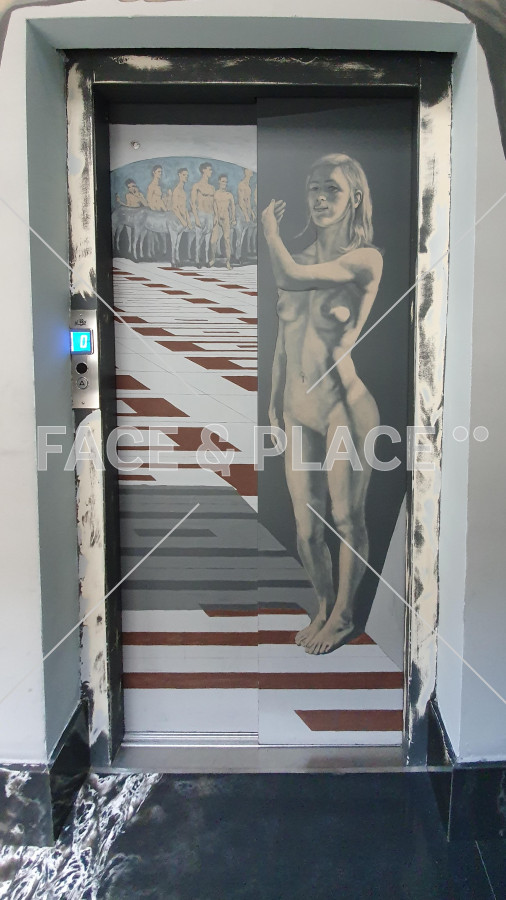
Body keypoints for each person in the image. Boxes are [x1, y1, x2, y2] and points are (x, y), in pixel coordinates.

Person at [262, 153, 383, 655]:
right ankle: (325, 606)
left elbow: (291, 277)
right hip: (297, 411)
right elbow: (283, 341)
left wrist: (269, 231)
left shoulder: (365, 259)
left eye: (331, 188)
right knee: (307, 529)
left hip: (343, 410)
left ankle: (344, 618)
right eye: (313, 188)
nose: (319, 197)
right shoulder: (299, 254)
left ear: (354, 197)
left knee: (348, 519)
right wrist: (274, 401)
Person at [190, 162, 215, 265]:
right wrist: (196, 217)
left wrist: (215, 216)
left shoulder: (212, 188)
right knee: (198, 239)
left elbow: (214, 203)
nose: (211, 172)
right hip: (200, 214)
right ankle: (197, 259)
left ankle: (206, 259)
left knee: (208, 240)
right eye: (209, 169)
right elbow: (192, 203)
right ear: (203, 170)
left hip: (210, 215)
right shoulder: (196, 186)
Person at [210, 174, 236, 269]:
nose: (224, 183)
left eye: (226, 182)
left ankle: (228, 262)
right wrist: (216, 216)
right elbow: (214, 205)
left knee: (227, 239)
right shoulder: (216, 194)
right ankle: (212, 259)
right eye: (223, 181)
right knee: (213, 241)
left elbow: (232, 207)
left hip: (226, 218)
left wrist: (233, 218)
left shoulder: (229, 195)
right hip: (218, 218)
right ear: (219, 182)